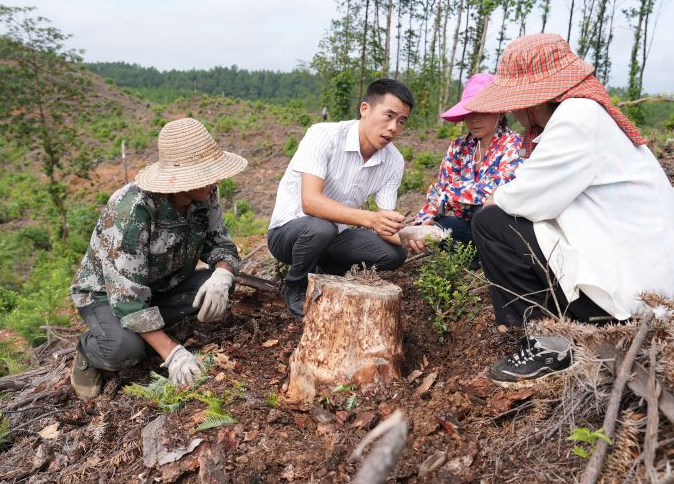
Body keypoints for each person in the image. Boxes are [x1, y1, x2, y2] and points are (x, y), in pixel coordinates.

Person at [466, 34, 674, 384]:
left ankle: (551, 343)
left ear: (534, 97)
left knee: (491, 223)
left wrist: (495, 198)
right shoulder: (587, 113)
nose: (513, 112)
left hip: (635, 292)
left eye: (515, 101)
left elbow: (523, 198)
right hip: (651, 279)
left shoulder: (576, 119)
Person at [69, 118, 247, 399]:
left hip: (162, 286)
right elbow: (127, 301)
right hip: (107, 296)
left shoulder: (205, 193)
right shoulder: (135, 210)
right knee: (124, 350)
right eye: (206, 175)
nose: (215, 182)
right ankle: (88, 351)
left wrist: (223, 274)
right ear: (182, 180)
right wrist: (173, 353)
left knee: (217, 285)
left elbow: (220, 244)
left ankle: (154, 330)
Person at [267, 79, 413, 317]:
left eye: (401, 121)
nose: (394, 127)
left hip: (336, 236)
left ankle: (327, 271)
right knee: (320, 228)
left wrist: (411, 237)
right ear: (365, 109)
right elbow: (310, 202)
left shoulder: (394, 161)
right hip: (290, 234)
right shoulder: (324, 135)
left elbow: (384, 222)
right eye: (388, 116)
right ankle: (296, 284)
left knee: (394, 254)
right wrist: (369, 219)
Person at [411, 73, 522, 248]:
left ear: (500, 113)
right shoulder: (459, 147)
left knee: (486, 212)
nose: (474, 119)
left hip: (497, 229)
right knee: (439, 227)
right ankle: (471, 257)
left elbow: (502, 189)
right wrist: (424, 221)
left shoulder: (514, 144)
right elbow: (440, 189)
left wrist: (452, 193)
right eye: (469, 112)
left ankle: (492, 256)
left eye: (482, 112)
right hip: (465, 225)